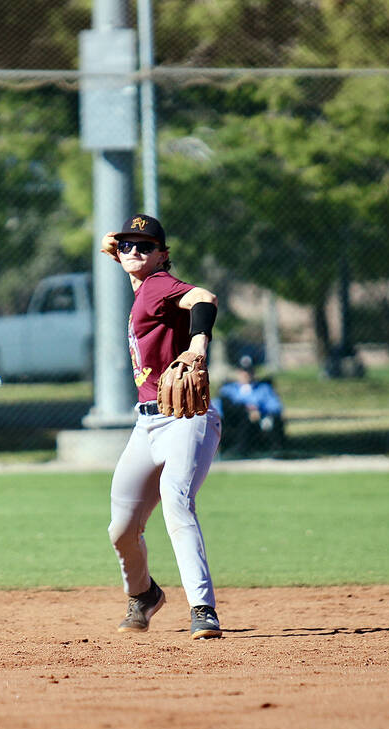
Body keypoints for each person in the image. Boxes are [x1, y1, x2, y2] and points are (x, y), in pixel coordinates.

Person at [99, 214, 223, 640]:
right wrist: (120, 251)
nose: (136, 251)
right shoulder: (142, 287)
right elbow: (127, 257)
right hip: (147, 423)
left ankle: (203, 609)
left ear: (163, 255)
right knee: (121, 529)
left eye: (146, 246)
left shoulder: (158, 284)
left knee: (176, 501)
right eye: (128, 245)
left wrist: (198, 343)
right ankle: (144, 595)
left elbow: (203, 297)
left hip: (186, 419)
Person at [212, 355, 284, 456]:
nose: (246, 374)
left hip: (257, 420)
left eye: (249, 371)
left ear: (254, 372)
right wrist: (246, 409)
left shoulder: (264, 388)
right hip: (233, 421)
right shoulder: (228, 389)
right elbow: (216, 406)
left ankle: (276, 452)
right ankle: (235, 450)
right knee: (237, 411)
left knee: (271, 421)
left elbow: (276, 406)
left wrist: (259, 410)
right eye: (243, 371)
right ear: (238, 372)